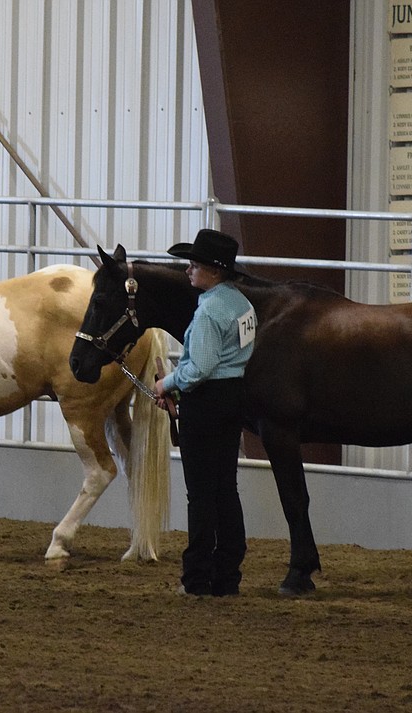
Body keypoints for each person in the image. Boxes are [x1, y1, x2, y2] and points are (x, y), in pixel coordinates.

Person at [153, 229, 256, 597]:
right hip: (232, 399)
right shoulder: (241, 304)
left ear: (213, 270)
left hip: (207, 403)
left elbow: (201, 367)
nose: (188, 271)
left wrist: (167, 385)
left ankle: (196, 578)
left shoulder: (210, 309)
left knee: (200, 494)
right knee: (225, 488)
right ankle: (227, 574)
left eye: (194, 265)